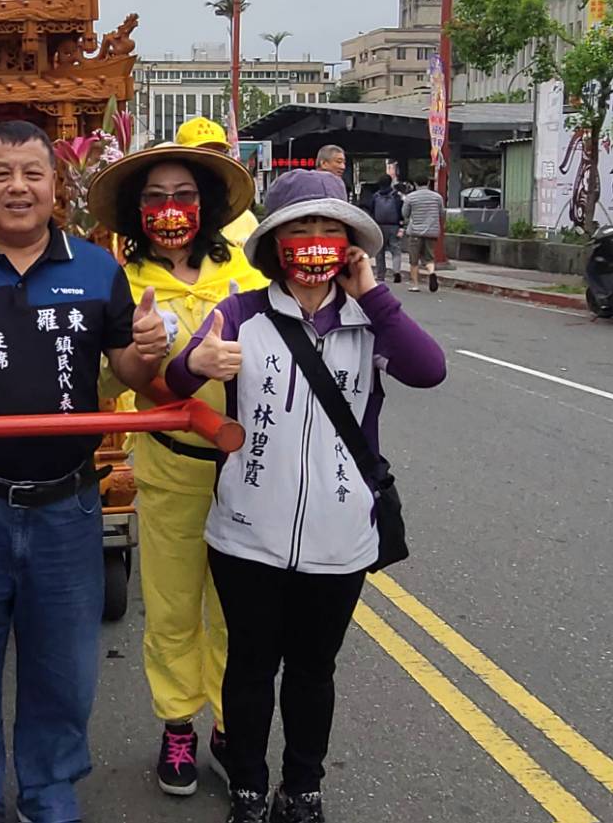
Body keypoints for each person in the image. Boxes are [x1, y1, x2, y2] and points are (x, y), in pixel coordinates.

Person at [0, 120, 172, 822]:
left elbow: (127, 371)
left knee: (63, 665)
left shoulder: (96, 270)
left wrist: (149, 348)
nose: (17, 186)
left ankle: (48, 790)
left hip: (66, 502)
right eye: (0, 174)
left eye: (32, 173)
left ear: (56, 186)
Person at [167, 169, 445, 823]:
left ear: (349, 243)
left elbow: (428, 370)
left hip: (339, 535)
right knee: (250, 665)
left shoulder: (369, 323)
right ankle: (246, 789)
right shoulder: (239, 313)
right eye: (301, 228)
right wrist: (192, 365)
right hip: (245, 531)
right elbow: (181, 377)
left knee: (313, 669)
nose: (315, 241)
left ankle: (303, 788)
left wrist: (373, 294)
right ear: (274, 242)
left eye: (329, 229)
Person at [86, 142, 268, 797]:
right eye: (155, 198)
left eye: (183, 196)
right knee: (169, 607)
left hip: (247, 469)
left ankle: (225, 721)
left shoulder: (245, 273)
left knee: (233, 610)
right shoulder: (121, 281)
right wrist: (137, 351)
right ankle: (176, 724)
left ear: (207, 205)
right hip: (168, 470)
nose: (170, 210)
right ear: (137, 212)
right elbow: (108, 376)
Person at [175, 116, 260, 243]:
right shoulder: (167, 217)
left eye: (218, 154)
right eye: (202, 156)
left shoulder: (244, 219)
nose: (212, 163)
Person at [401, 176, 445, 293]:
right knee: (429, 258)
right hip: (432, 232)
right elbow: (441, 213)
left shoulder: (411, 197)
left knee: (414, 260)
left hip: (415, 232)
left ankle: (415, 285)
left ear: (415, 184)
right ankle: (431, 272)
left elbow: (405, 213)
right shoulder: (437, 197)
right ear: (428, 182)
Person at [368, 175, 404, 284]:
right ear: (390, 182)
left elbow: (371, 211)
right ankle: (396, 271)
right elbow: (400, 211)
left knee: (380, 252)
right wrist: (401, 226)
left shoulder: (375, 196)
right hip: (394, 226)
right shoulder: (396, 196)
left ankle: (380, 275)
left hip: (379, 226)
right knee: (396, 250)